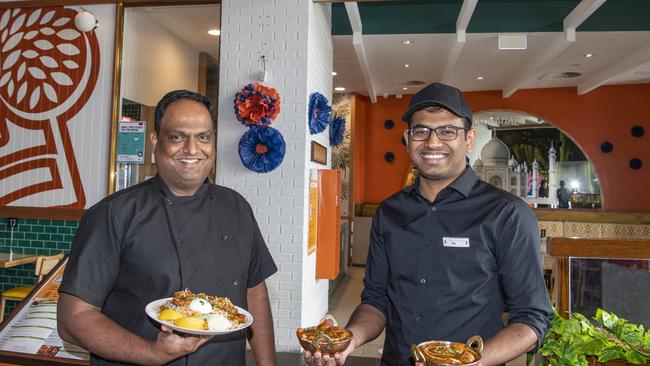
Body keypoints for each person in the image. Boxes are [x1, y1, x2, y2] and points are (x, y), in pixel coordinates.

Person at [305, 82, 553, 366]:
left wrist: (469, 363)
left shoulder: (508, 214)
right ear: (408, 139)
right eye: (421, 131)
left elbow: (531, 318)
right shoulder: (389, 213)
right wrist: (349, 338)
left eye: (448, 131)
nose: (433, 142)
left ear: (469, 139)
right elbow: (376, 302)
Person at [58, 90, 278, 366]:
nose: (192, 149)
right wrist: (151, 353)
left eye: (203, 137)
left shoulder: (236, 207)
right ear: (155, 141)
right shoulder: (114, 214)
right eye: (177, 136)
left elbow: (254, 291)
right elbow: (73, 319)